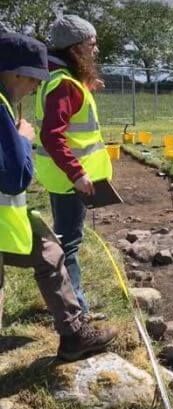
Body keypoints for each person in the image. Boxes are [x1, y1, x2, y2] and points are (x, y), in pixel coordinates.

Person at [0, 32, 116, 361]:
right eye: (34, 78)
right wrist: (22, 139)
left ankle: (75, 332)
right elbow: (14, 176)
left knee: (51, 251)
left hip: (13, 215)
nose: (37, 86)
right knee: (58, 249)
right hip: (26, 206)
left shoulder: (11, 101)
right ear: (17, 72)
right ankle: (76, 328)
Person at [34, 15, 112, 320]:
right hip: (70, 180)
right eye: (91, 44)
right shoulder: (64, 85)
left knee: (66, 239)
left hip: (62, 177)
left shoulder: (64, 81)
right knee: (69, 244)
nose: (95, 50)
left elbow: (67, 122)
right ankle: (76, 310)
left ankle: (71, 303)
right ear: (75, 47)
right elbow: (52, 134)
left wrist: (87, 88)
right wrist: (77, 173)